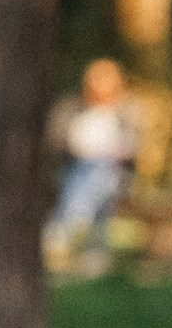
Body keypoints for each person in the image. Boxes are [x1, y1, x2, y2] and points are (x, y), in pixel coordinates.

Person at [45, 58, 141, 269]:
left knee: (100, 169)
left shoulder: (126, 110)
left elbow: (133, 147)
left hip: (114, 175)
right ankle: (94, 255)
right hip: (76, 170)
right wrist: (78, 149)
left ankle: (64, 226)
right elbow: (57, 141)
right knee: (94, 173)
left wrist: (113, 152)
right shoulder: (72, 107)